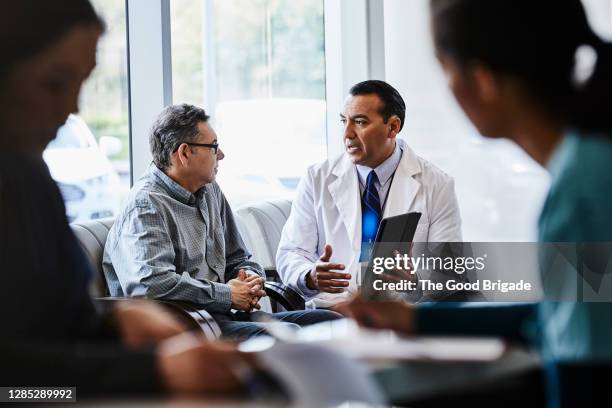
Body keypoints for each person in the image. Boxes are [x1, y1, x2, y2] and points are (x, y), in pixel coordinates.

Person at [336, 0, 612, 406]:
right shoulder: (591, 163)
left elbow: (587, 376)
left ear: (482, 81)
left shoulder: (578, 196)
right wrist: (414, 318)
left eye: (444, 68)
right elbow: (557, 317)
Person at [0, 0, 256, 396]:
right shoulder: (143, 204)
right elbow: (20, 386)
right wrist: (153, 371)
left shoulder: (31, 180)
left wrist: (114, 321)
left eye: (79, 84)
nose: (72, 108)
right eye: (55, 84)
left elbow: (66, 323)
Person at [103, 104, 341, 341]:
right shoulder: (146, 205)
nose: (221, 154)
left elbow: (239, 257)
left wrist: (248, 280)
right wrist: (227, 294)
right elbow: (151, 284)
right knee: (288, 337)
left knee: (333, 323)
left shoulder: (209, 190)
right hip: (184, 331)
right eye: (213, 147)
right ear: (184, 153)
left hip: (220, 318)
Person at [276, 80, 463, 308]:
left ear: (393, 127)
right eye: (344, 121)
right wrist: (310, 276)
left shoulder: (437, 184)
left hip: (401, 314)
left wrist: (416, 281)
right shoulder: (318, 178)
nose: (347, 133)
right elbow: (291, 252)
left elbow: (449, 270)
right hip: (334, 311)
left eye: (360, 122)